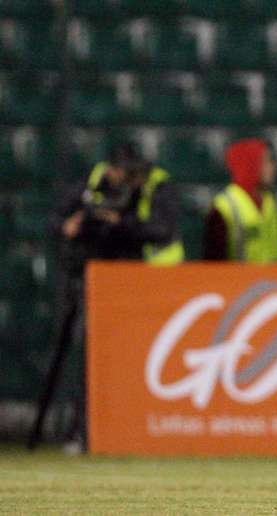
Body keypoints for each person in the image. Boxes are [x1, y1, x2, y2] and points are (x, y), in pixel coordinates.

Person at [31, 142, 184, 452]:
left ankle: (132, 430)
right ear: (113, 169)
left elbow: (161, 230)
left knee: (132, 358)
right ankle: (81, 430)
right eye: (124, 174)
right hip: (95, 279)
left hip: (134, 281)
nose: (128, 180)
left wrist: (120, 223)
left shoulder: (152, 188)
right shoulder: (91, 186)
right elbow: (53, 221)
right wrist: (67, 225)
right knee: (90, 359)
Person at [203, 138, 277, 262]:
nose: (273, 167)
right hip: (238, 280)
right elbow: (214, 263)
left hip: (274, 280)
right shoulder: (223, 209)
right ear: (251, 166)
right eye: (266, 162)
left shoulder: (276, 205)